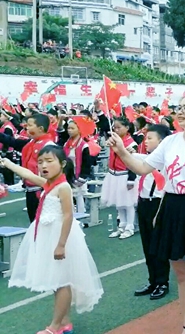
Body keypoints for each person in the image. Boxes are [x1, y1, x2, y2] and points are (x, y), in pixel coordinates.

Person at [108, 93, 185, 334]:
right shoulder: (170, 142)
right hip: (172, 208)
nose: (179, 112)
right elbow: (143, 167)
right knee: (181, 275)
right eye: (178, 107)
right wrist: (121, 151)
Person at [2, 145, 103, 334]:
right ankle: (64, 323)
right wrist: (8, 163)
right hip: (49, 234)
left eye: (49, 161)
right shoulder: (50, 184)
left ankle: (55, 326)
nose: (43, 166)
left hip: (59, 236)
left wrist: (61, 245)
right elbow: (28, 174)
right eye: (40, 162)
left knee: (62, 281)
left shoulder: (63, 187)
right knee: (58, 281)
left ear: (62, 164)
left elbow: (68, 216)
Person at [130, 124, 172, 301]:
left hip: (158, 204)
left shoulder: (166, 161)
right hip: (144, 203)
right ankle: (152, 280)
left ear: (161, 142)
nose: (145, 141)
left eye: (150, 138)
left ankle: (162, 282)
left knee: (159, 246)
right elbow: (132, 157)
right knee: (147, 244)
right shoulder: (146, 159)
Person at [0, 113, 56, 221]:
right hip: (30, 191)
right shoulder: (31, 143)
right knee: (34, 224)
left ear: (40, 128)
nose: (26, 127)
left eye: (30, 125)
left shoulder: (49, 147)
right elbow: (12, 141)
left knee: (43, 224)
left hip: (42, 192)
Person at [101, 117, 138, 239]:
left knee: (128, 203)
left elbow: (133, 163)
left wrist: (131, 179)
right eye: (114, 128)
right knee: (119, 203)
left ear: (127, 128)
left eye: (119, 127)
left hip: (125, 175)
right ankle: (121, 225)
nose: (116, 130)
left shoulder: (131, 143)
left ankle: (130, 227)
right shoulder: (113, 140)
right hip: (114, 174)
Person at [63, 119, 92, 214]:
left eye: (72, 128)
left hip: (79, 174)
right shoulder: (66, 144)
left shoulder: (84, 145)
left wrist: (82, 177)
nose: (69, 130)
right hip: (68, 174)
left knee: (79, 197)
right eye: (68, 128)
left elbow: (86, 163)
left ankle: (81, 215)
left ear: (79, 129)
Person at [0, 111, 17, 185]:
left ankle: (9, 185)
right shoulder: (5, 125)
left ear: (6, 117)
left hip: (8, 152)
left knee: (7, 171)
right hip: (7, 152)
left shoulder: (8, 127)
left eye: (1, 116)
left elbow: (7, 141)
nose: (0, 118)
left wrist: (4, 151)